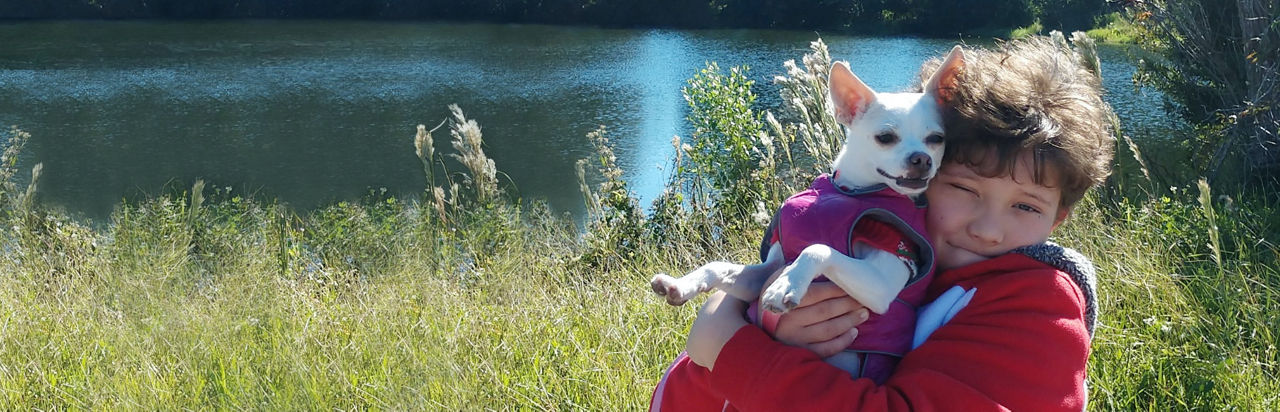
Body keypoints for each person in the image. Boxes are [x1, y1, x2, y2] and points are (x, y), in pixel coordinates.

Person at [650, 35, 1115, 411]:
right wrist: (744, 314)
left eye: (1026, 207)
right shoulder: (898, 245)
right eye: (964, 190)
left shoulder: (1041, 310)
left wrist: (730, 347)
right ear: (921, 181)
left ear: (1060, 217)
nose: (988, 229)